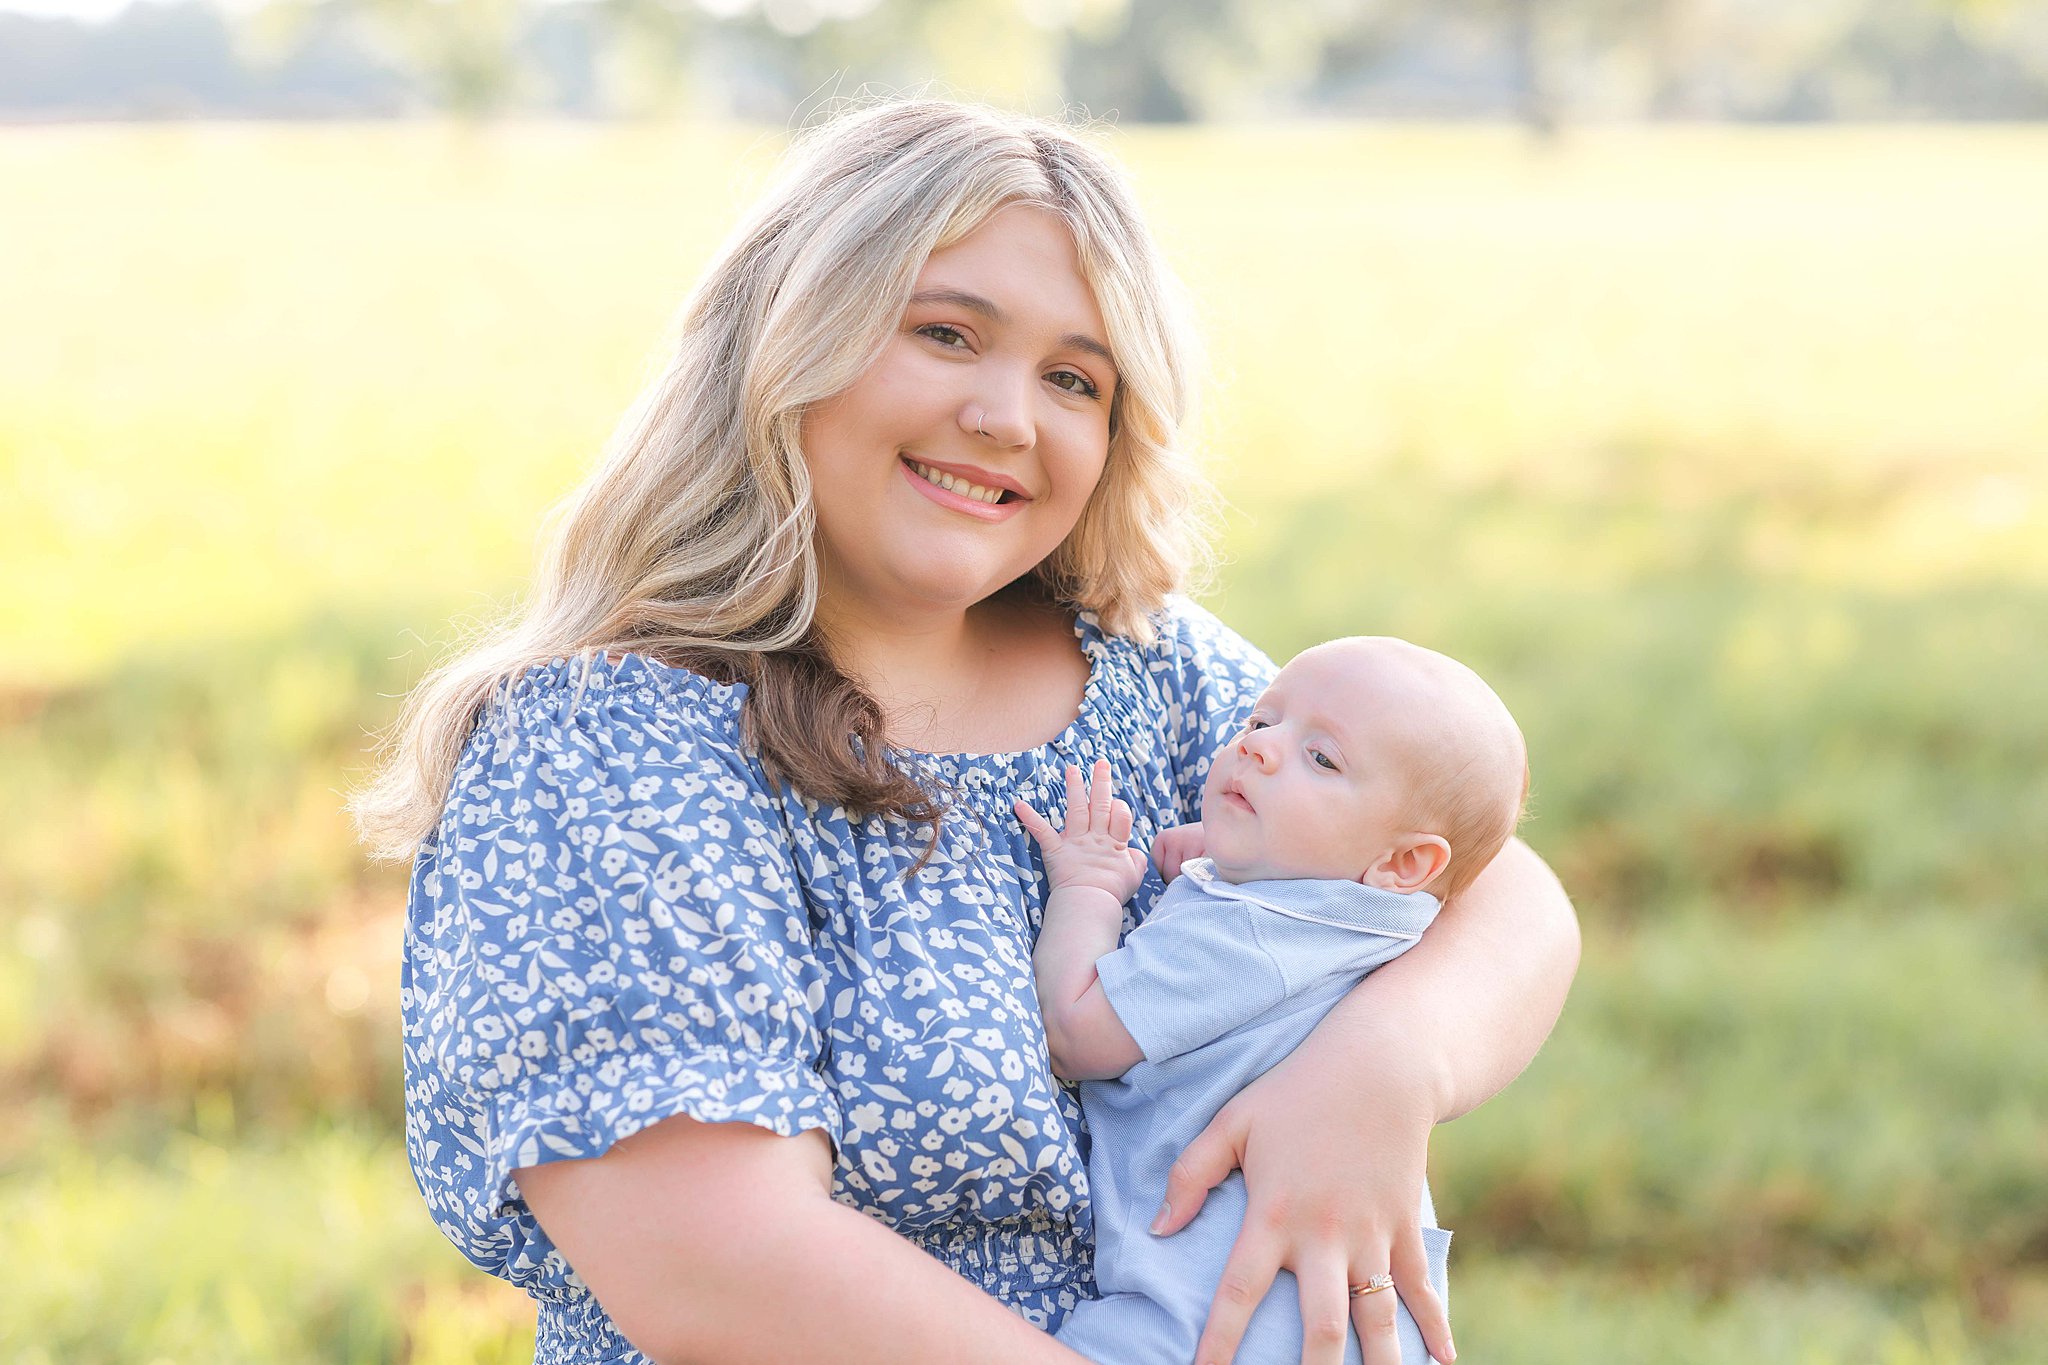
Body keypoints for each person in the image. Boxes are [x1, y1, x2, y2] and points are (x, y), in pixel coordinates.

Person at [353, 98, 1579, 1365]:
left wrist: (1383, 1069)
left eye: (1072, 379)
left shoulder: (1143, 672)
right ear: (786, 341)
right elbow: (713, 1267)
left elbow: (1489, 882)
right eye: (945, 334)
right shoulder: (607, 746)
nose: (1008, 418)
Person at [1018, 637, 1529, 1365]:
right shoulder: (1399, 914)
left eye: (1321, 758)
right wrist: (1211, 850)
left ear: (1405, 861)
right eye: (1261, 722)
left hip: (1203, 1319)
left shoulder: (1242, 934)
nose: (1259, 749)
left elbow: (1074, 1028)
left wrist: (1088, 889)